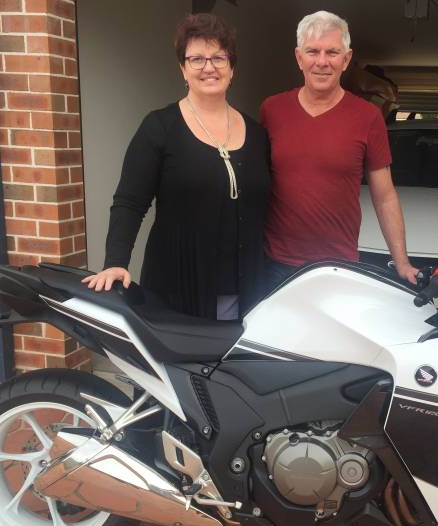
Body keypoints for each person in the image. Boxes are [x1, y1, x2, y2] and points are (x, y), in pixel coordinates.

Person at [83, 13, 270, 321]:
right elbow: (129, 202)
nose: (209, 67)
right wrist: (115, 261)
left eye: (218, 58)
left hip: (245, 285)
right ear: (183, 68)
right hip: (178, 285)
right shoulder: (159, 128)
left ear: (232, 67)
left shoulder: (258, 134)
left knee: (235, 352)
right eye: (197, 59)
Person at [259, 10, 417, 290]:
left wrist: (402, 262)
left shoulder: (368, 117)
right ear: (299, 57)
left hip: (338, 266)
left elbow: (384, 196)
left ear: (346, 59)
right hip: (276, 265)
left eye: (332, 52)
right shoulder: (271, 110)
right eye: (312, 51)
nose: (322, 62)